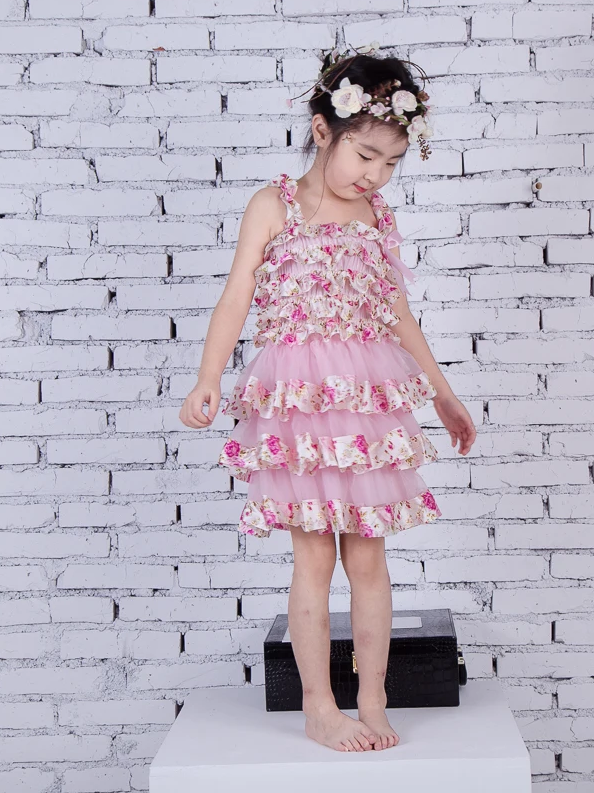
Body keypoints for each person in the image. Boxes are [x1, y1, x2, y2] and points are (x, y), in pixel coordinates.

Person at [179, 43, 477, 754]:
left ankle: (372, 696)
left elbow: (398, 314)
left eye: (391, 163)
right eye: (365, 155)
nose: (375, 174)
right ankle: (319, 704)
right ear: (323, 131)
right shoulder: (274, 205)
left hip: (365, 403)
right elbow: (236, 296)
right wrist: (208, 377)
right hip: (299, 404)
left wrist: (443, 394)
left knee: (367, 559)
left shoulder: (376, 216)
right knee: (312, 558)